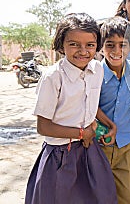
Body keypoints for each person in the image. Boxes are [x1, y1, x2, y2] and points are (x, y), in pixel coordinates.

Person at [25, 13, 117, 204]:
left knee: (100, 196)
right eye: (74, 44)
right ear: (61, 44)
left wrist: (109, 124)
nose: (83, 51)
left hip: (89, 150)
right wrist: (82, 133)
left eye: (90, 45)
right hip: (60, 155)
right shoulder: (53, 77)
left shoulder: (97, 69)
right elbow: (44, 127)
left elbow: (91, 103)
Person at [96, 16, 130, 204]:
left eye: (122, 45)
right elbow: (89, 105)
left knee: (128, 197)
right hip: (99, 145)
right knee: (99, 196)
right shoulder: (94, 74)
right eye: (110, 45)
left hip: (126, 145)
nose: (116, 51)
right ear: (101, 46)